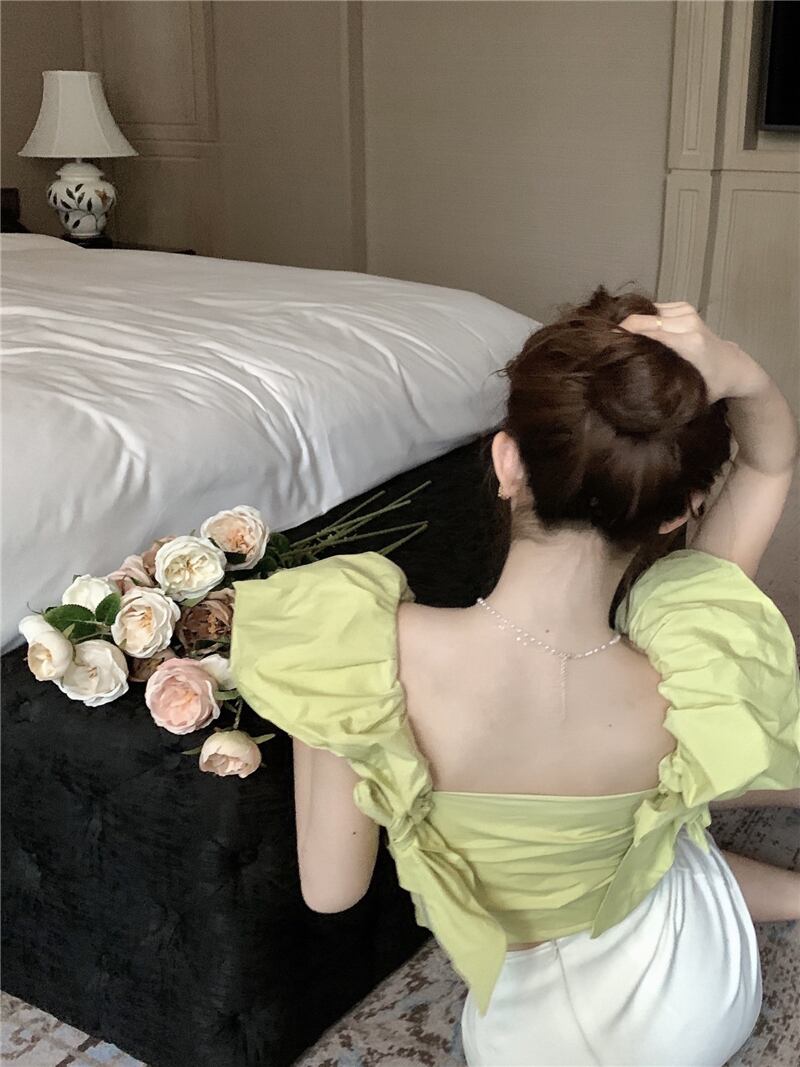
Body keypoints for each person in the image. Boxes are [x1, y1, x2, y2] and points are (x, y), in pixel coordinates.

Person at [230, 286, 800, 1067]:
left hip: (531, 1046)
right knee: (669, 828)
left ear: (506, 460)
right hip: (700, 1009)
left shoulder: (357, 652)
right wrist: (742, 373)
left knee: (663, 833)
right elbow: (769, 461)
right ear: (679, 510)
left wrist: (321, 707)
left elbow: (333, 890)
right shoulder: (689, 667)